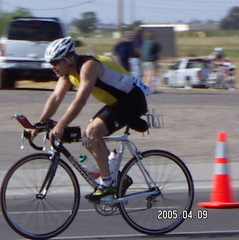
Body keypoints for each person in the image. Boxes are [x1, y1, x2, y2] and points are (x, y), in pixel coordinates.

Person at [29, 37, 152, 201]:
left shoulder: (89, 67)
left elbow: (80, 101)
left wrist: (60, 125)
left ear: (69, 58)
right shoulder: (67, 73)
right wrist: (37, 125)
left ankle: (107, 184)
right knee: (87, 138)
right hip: (116, 102)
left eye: (56, 62)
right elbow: (56, 98)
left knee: (93, 131)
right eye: (51, 63)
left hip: (132, 100)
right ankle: (119, 177)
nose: (52, 67)